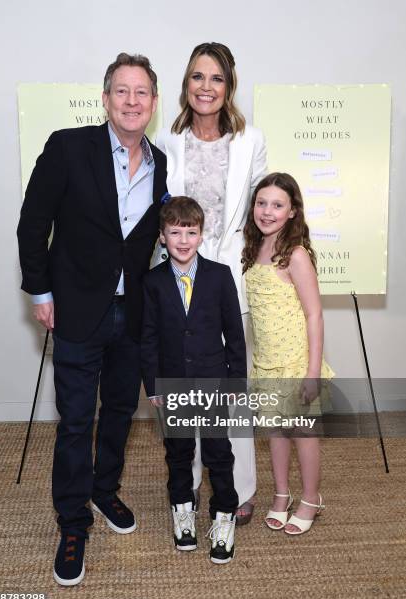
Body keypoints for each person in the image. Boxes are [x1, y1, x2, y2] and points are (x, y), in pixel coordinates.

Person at [17, 53, 167, 586]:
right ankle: (73, 521)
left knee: (122, 412)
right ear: (105, 99)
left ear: (153, 102)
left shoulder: (160, 163)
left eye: (141, 92)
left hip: (132, 314)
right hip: (77, 308)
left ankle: (104, 492)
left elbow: (150, 240)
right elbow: (33, 222)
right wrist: (39, 290)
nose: (131, 101)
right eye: (121, 91)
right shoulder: (67, 146)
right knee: (77, 420)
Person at [154, 42, 267, 524]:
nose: (206, 87)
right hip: (178, 276)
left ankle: (238, 487)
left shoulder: (250, 140)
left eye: (216, 78)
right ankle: (192, 482)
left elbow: (262, 213)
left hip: (227, 277)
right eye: (198, 77)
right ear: (186, 85)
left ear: (229, 86)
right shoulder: (166, 139)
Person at [141, 196, 246, 563]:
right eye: (175, 232)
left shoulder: (219, 276)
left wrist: (236, 381)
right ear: (162, 237)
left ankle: (223, 515)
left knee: (218, 452)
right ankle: (182, 509)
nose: (183, 240)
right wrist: (153, 385)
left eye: (191, 232)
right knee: (179, 452)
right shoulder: (152, 282)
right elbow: (149, 337)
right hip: (172, 383)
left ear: (202, 235)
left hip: (213, 380)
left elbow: (235, 333)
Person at [242, 172, 334, 535]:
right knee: (275, 432)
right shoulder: (253, 248)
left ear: (292, 211)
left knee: (301, 432)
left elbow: (314, 313)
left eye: (277, 205)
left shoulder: (295, 255)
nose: (267, 211)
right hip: (266, 361)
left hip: (295, 362)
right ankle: (282, 494)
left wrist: (311, 372)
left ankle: (311, 498)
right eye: (261, 203)